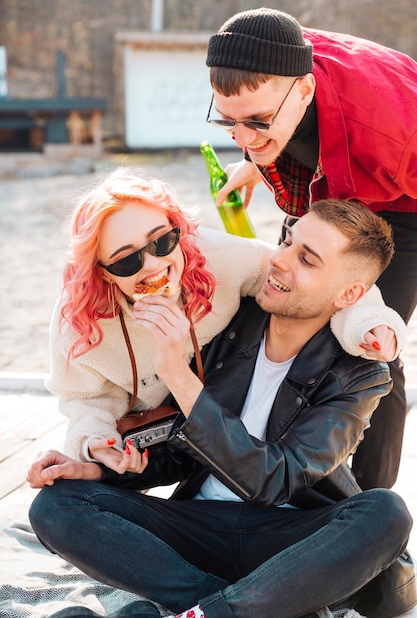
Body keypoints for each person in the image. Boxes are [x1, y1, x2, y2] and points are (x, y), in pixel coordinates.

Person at [28, 199, 416, 618]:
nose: (279, 259)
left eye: (305, 258)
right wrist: (99, 470)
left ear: (350, 295)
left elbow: (276, 480)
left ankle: (209, 614)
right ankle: (229, 612)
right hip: (198, 526)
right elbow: (183, 451)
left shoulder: (360, 373)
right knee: (56, 505)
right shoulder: (227, 318)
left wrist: (178, 373)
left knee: (385, 512)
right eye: (287, 241)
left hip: (294, 542)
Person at [42, 167, 403, 470]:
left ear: (178, 228)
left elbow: (326, 282)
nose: (154, 265)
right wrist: (95, 445)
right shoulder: (76, 320)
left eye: (162, 241)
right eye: (126, 261)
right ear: (103, 272)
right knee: (61, 500)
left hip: (211, 415)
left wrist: (368, 321)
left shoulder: (221, 259)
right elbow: (84, 399)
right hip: (138, 429)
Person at [204, 7, 417, 490]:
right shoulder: (266, 54)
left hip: (404, 202)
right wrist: (257, 153)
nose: (240, 136)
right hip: (328, 188)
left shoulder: (395, 130)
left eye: (256, 122)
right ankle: (273, 467)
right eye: (228, 123)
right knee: (288, 309)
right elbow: (252, 118)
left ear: (303, 89)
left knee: (371, 345)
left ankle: (368, 511)